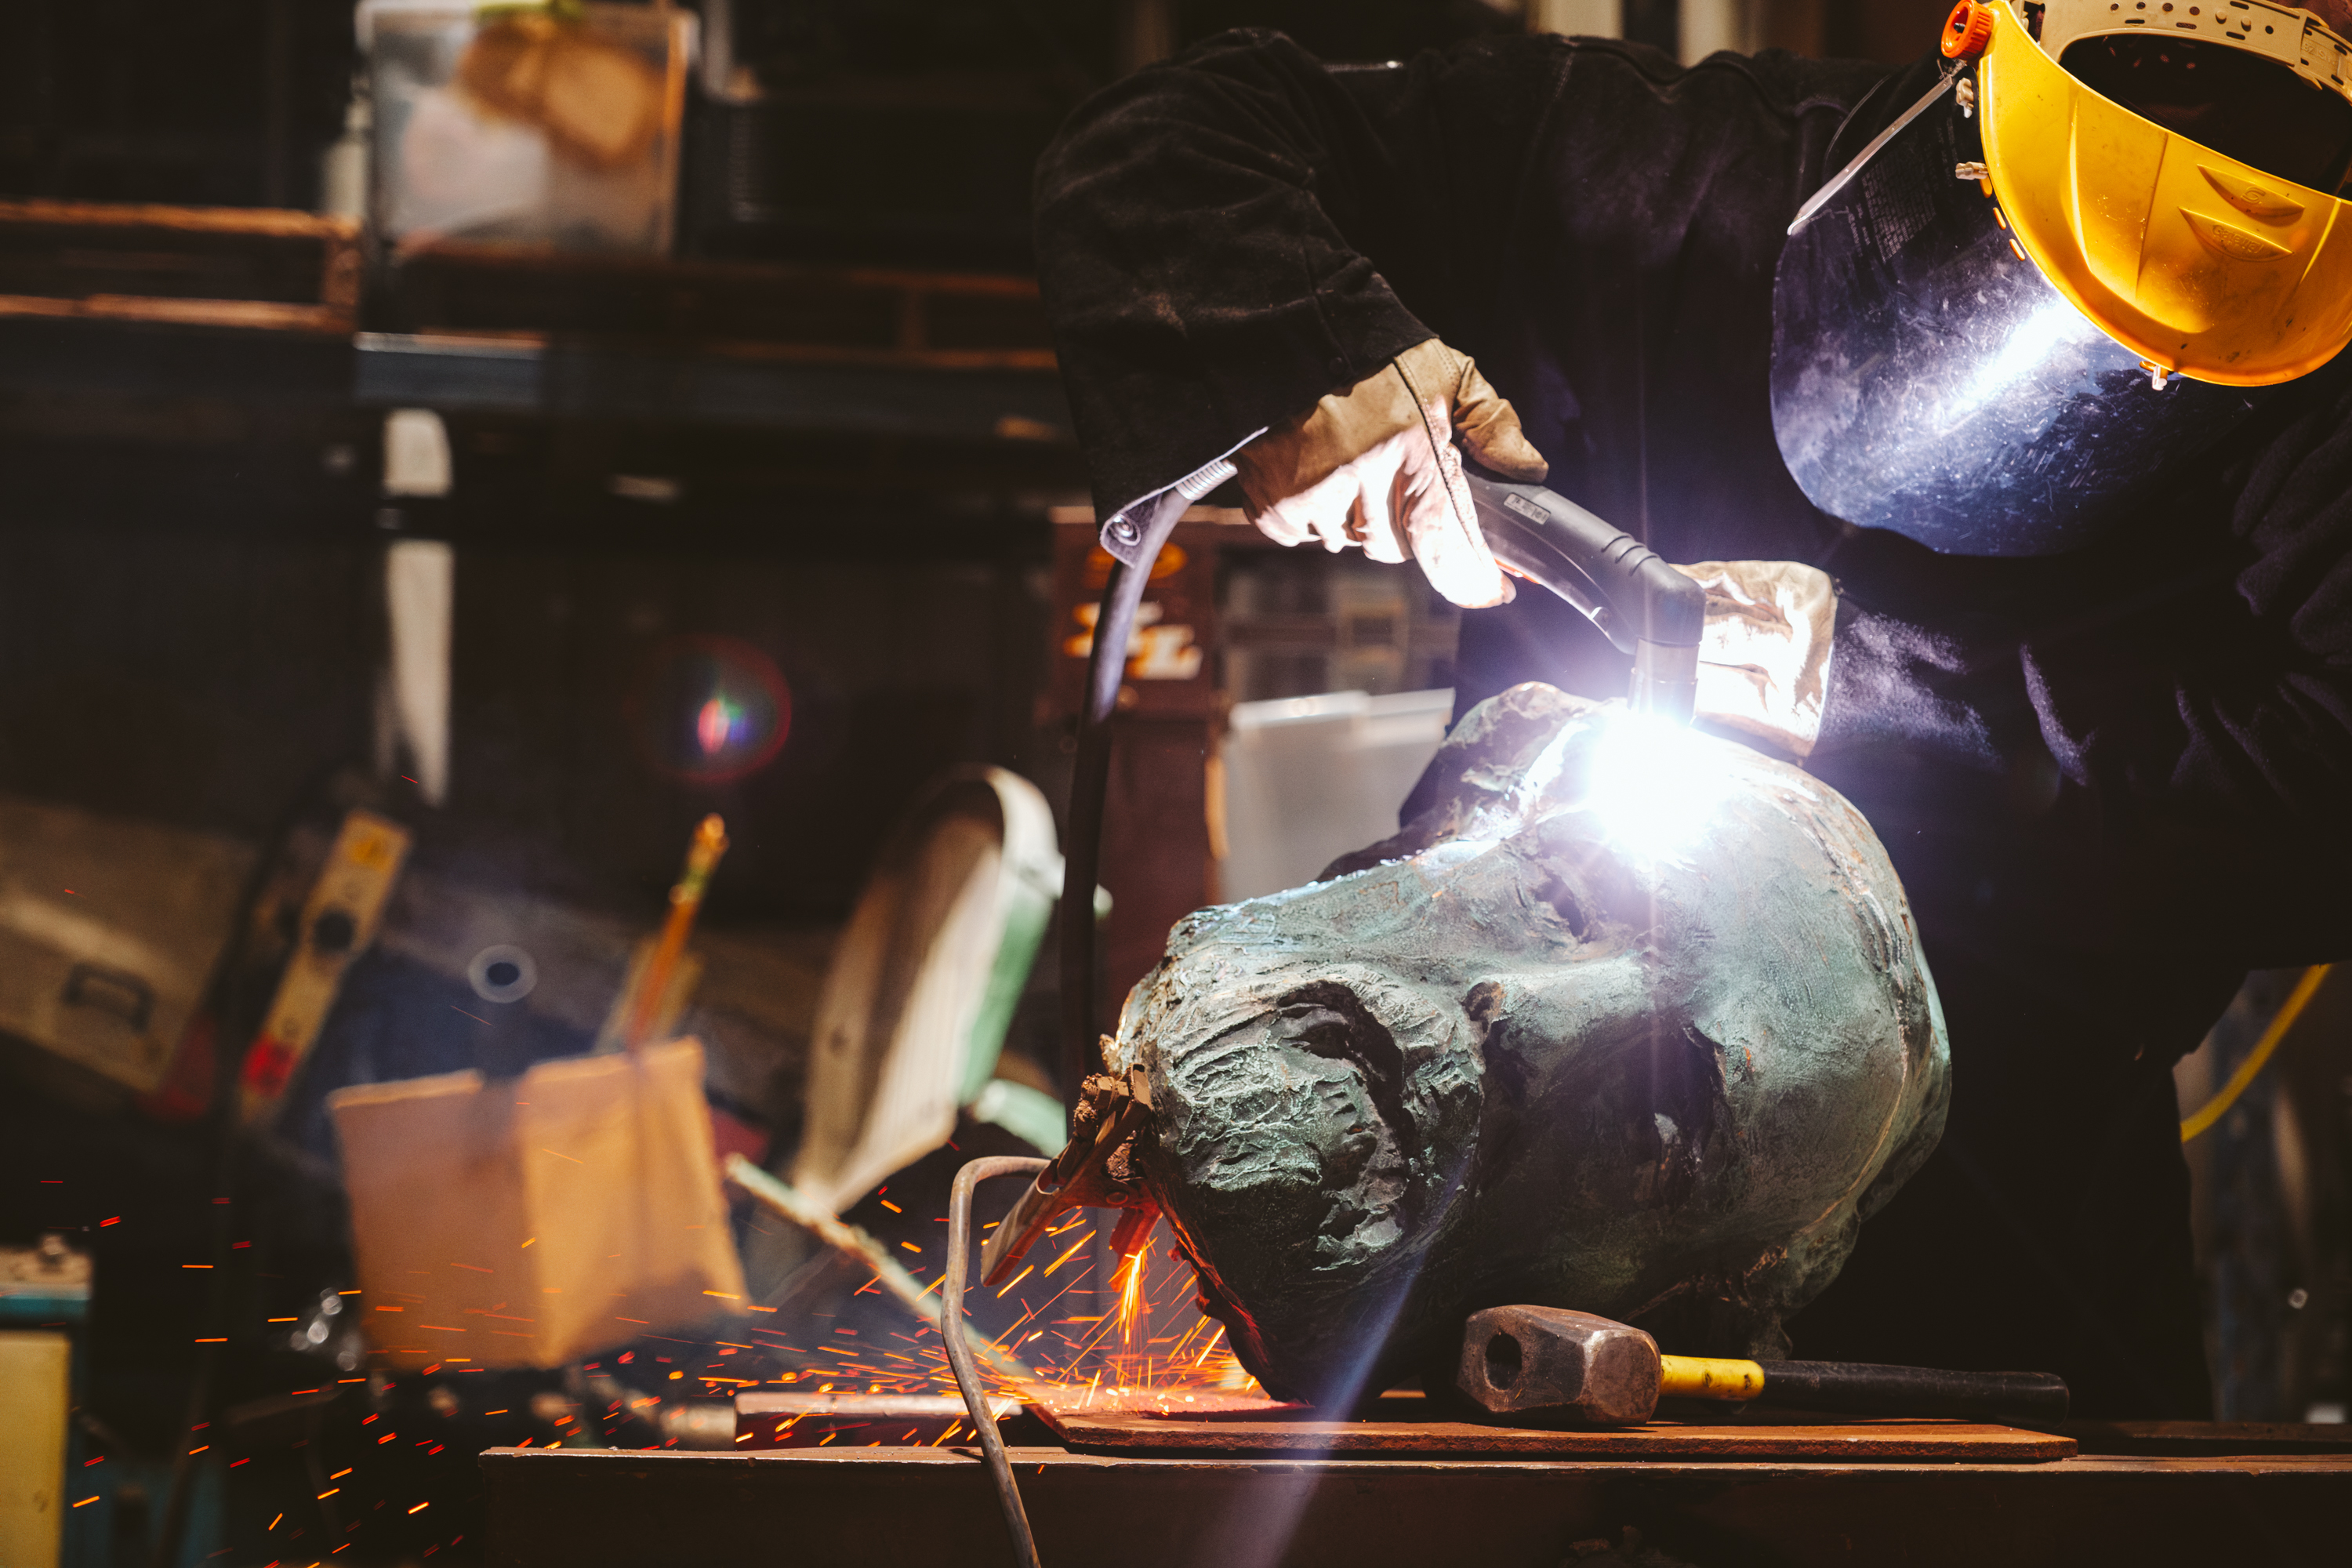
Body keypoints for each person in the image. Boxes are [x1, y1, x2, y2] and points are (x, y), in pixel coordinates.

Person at [1030, 0, 2352, 1416]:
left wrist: (1881, 690)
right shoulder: (1643, 175)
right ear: (1967, 66)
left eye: (2150, 372)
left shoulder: (2317, 372)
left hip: (2012, 1217)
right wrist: (1315, 349)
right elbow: (1170, 143)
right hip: (1528, 1200)